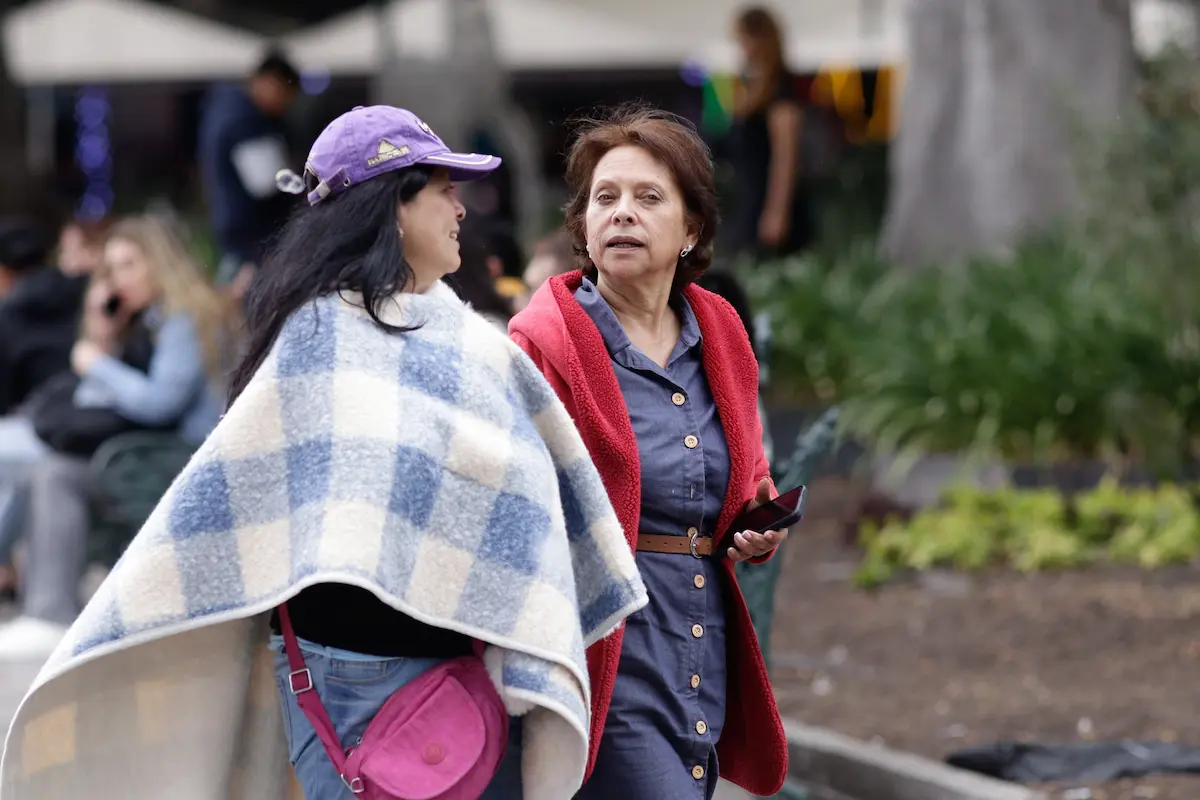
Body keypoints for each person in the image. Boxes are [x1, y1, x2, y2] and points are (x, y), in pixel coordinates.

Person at [1, 105, 647, 800]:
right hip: (356, 676)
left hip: (465, 669)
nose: (462, 208)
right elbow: (246, 499)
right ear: (392, 205)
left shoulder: (466, 337)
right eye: (444, 189)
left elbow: (528, 488)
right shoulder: (319, 340)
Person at [508, 105, 790, 799]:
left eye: (648, 198)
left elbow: (741, 478)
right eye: (606, 198)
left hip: (700, 643)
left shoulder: (721, 332)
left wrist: (751, 526)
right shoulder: (541, 346)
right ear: (582, 225)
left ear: (691, 228)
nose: (622, 213)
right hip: (604, 651)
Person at [0, 215, 236, 660]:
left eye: (129, 264)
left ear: (160, 263)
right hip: (159, 454)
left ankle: (50, 615)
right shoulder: (153, 319)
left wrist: (97, 363)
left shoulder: (185, 318)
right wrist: (103, 337)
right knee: (44, 471)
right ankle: (44, 609)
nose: (119, 279)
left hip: (180, 462)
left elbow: (159, 402)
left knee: (54, 474)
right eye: (112, 268)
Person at [198, 50, 299, 298]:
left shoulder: (225, 109)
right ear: (269, 82)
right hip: (250, 243)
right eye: (285, 94)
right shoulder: (244, 121)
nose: (285, 105)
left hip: (236, 234)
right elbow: (268, 184)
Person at [727, 6, 810, 258]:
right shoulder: (751, 87)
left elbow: (785, 158)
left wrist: (776, 214)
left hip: (770, 205)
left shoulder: (781, 92)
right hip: (752, 198)